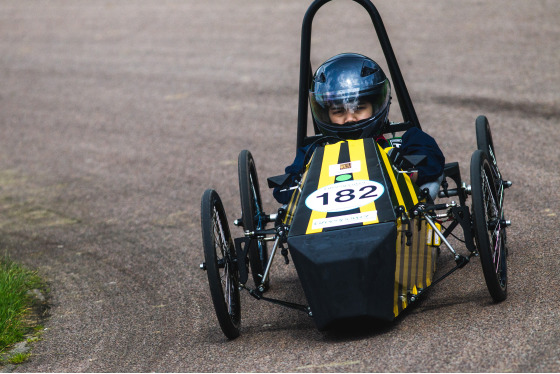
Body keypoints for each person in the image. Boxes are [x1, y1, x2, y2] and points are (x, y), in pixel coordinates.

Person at [273, 53, 444, 204]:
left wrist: (403, 168)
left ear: (376, 105)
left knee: (431, 182)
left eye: (359, 108)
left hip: (397, 217)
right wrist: (304, 182)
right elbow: (283, 191)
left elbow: (433, 163)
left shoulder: (402, 143)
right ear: (325, 114)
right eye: (339, 111)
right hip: (327, 225)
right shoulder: (314, 153)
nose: (349, 118)